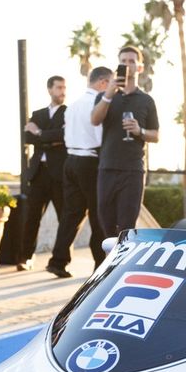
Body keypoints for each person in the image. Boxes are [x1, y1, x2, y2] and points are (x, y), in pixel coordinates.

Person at [47, 67, 111, 275]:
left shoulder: (72, 105)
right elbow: (100, 135)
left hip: (70, 161)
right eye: (110, 83)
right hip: (90, 162)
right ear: (102, 83)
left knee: (70, 215)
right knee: (97, 215)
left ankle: (57, 261)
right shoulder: (97, 103)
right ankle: (100, 265)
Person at [90, 45, 159, 238]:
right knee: (106, 223)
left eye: (131, 61)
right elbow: (94, 120)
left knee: (127, 228)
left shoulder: (146, 100)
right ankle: (108, 266)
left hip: (133, 170)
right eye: (123, 61)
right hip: (107, 168)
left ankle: (121, 265)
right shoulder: (104, 96)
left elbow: (156, 135)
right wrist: (108, 95)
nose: (127, 65)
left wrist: (139, 130)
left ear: (140, 67)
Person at [18, 75, 67, 275]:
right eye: (59, 87)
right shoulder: (37, 114)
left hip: (59, 174)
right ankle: (25, 257)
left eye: (64, 88)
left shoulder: (68, 112)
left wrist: (39, 133)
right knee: (31, 218)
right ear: (49, 89)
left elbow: (63, 137)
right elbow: (27, 137)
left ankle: (61, 260)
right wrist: (48, 136)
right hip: (38, 173)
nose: (63, 91)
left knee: (65, 219)